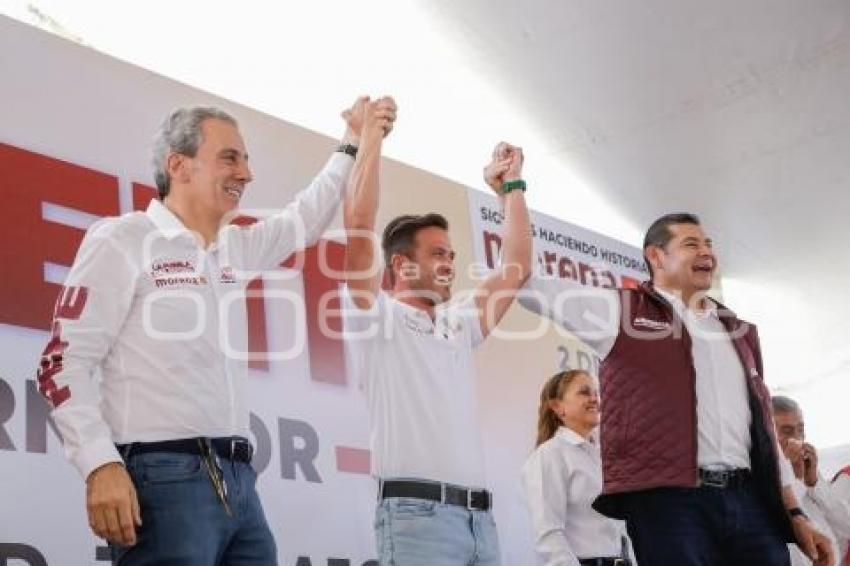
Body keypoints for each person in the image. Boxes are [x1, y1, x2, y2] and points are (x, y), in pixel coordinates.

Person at [35, 98, 392, 564]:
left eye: (245, 160)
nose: (246, 174)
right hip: (161, 479)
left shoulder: (234, 248)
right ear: (178, 165)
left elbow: (303, 220)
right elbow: (63, 362)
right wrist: (99, 463)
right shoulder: (123, 238)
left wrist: (351, 140)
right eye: (230, 158)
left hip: (240, 482)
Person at [518, 212, 834, 565]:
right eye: (691, 244)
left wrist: (795, 514)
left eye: (709, 244)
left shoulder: (739, 332)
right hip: (670, 507)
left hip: (750, 504)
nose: (706, 252)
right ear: (656, 256)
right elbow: (525, 284)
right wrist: (511, 193)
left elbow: (764, 436)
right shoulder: (620, 310)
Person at [340, 100, 532, 564]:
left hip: (479, 521)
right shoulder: (375, 316)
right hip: (415, 518)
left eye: (451, 255)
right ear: (402, 264)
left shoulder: (458, 323)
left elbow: (517, 267)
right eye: (437, 254)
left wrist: (511, 188)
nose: (449, 264)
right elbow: (360, 225)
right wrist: (370, 138)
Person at [521, 369, 634, 566]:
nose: (595, 399)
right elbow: (548, 534)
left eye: (596, 393)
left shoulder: (602, 457)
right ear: (558, 407)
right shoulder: (549, 455)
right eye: (584, 392)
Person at [772, 396, 850, 565]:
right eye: (787, 431)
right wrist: (793, 475)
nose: (797, 438)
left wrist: (814, 483)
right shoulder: (760, 487)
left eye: (800, 430)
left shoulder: (810, 482)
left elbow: (847, 528)